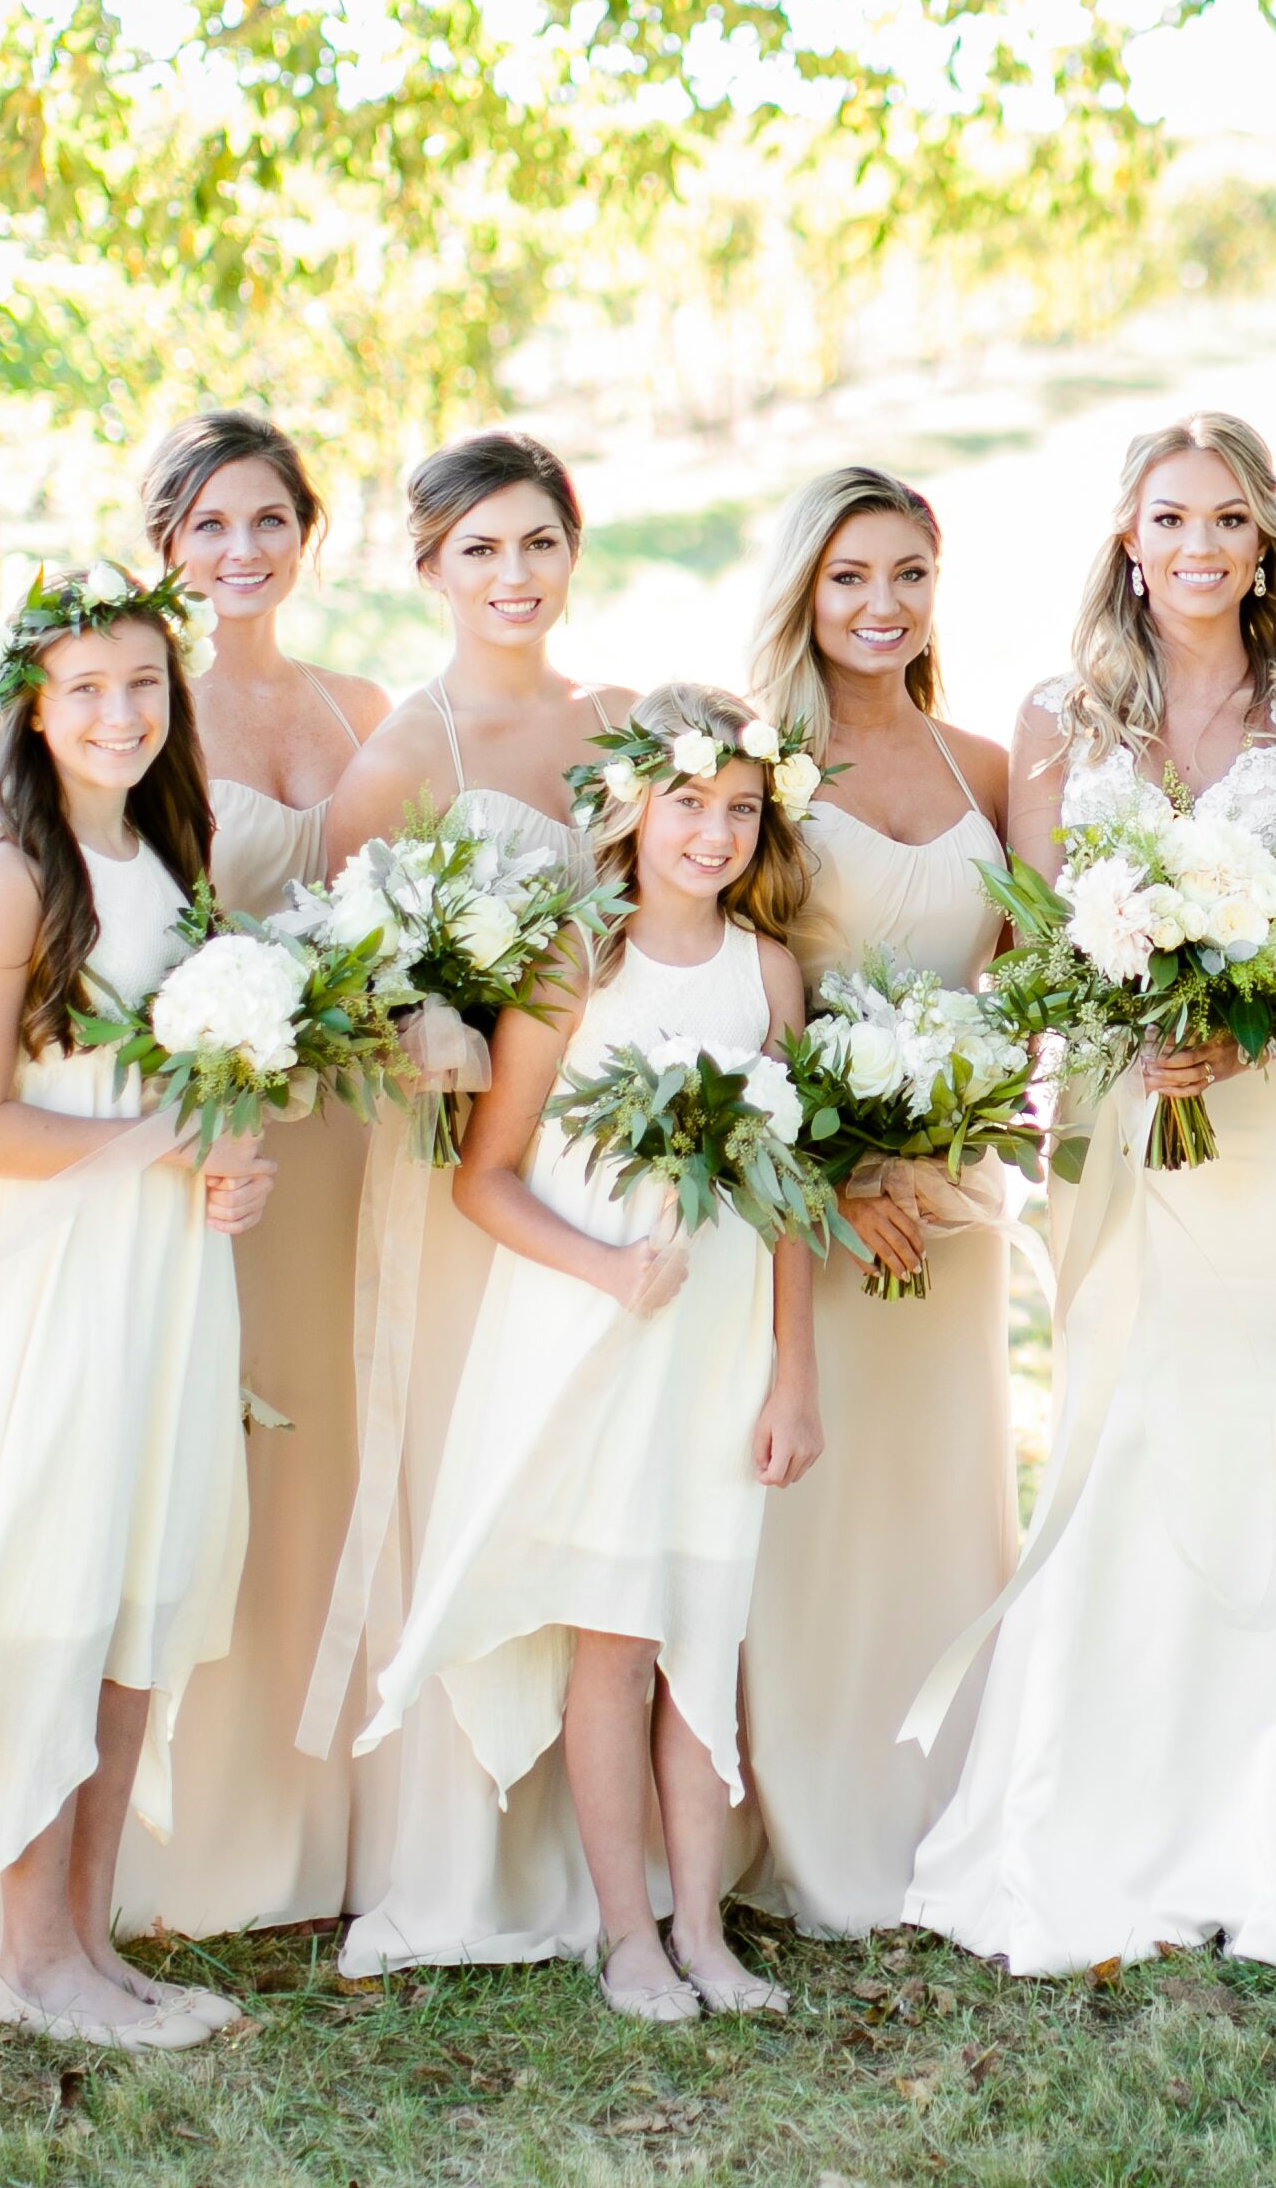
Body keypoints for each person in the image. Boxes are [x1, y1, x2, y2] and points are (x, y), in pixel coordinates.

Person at [903, 413, 1276, 1975]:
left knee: (1256, 1434)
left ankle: (1274, 1821)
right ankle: (1095, 1814)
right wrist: (1131, 1035)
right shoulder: (1060, 717)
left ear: (1264, 538)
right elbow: (1038, 944)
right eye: (1169, 519)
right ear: (1127, 539)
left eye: (1226, 520)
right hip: (1117, 1127)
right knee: (1116, 1426)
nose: (1198, 547)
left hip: (1265, 1132)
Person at [352, 685, 826, 2022]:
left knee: (703, 1631)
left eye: (742, 809)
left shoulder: (764, 971)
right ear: (630, 806)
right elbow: (486, 1180)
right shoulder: (576, 963)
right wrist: (610, 1269)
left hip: (721, 1345)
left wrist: (794, 1369)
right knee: (616, 1643)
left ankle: (704, 1925)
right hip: (601, 1337)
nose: (716, 833)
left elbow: (791, 1190)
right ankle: (628, 1934)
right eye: (689, 802)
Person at [0, 566, 275, 2048]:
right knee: (50, 1587)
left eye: (145, 683)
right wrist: (149, 1146)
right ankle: (27, 1960)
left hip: (162, 1270)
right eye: (87, 687)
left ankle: (86, 1946)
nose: (120, 712)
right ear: (34, 701)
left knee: (133, 1583)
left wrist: (225, 1167)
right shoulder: (11, 869)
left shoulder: (172, 854)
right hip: (46, 1280)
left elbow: (190, 1094)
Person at [314, 432, 636, 1973]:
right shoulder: (397, 762)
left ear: (575, 553)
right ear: (430, 569)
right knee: (474, 1475)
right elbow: (350, 1002)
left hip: (622, 1166)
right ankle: (464, 1852)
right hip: (464, 1182)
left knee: (602, 1472)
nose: (516, 577)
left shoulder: (629, 725)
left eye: (540, 544)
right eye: (481, 550)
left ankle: (613, 1835)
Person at [732, 470, 1021, 1936]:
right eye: (850, 577)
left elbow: (1031, 989)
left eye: (907, 573)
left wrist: (957, 1130)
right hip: (816, 1207)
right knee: (819, 1510)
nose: (881, 606)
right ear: (805, 589)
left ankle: (957, 1803)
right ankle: (817, 1814)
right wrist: (839, 1174)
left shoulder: (987, 764)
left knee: (945, 1492)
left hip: (953, 1204)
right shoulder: (760, 769)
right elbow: (740, 1001)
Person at [113, 409, 387, 1937]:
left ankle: (344, 1811)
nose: (240, 552)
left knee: (345, 1436)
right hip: (216, 1132)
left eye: (267, 521)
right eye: (209, 525)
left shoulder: (361, 704)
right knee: (224, 1445)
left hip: (356, 1130)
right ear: (167, 543)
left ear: (307, 533)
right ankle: (208, 1829)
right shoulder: (140, 708)